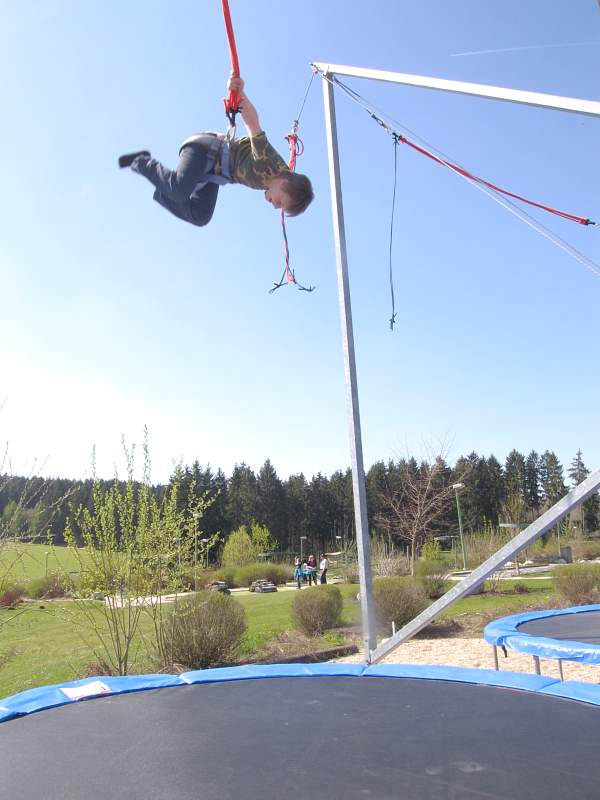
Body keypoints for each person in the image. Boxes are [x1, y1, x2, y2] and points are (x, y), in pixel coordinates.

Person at [119, 75, 314, 228]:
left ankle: (165, 190)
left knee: (200, 215)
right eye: (280, 203)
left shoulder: (272, 180)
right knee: (179, 189)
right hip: (205, 150)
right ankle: (141, 162)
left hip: (214, 173)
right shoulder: (269, 165)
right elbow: (253, 125)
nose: (275, 206)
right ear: (284, 183)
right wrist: (240, 94)